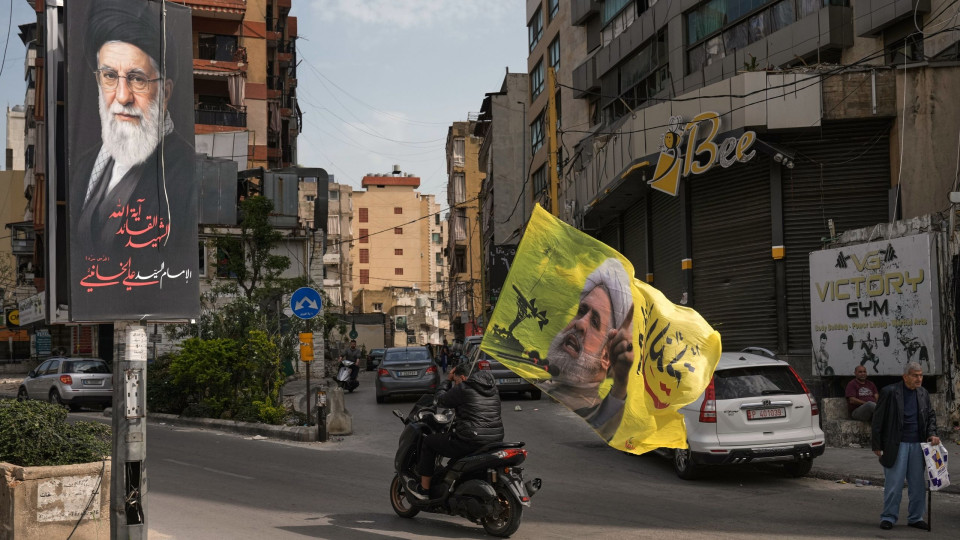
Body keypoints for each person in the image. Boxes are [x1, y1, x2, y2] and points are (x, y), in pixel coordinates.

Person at [70, 0, 196, 317]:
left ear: (165, 93)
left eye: (137, 78)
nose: (122, 97)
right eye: (110, 76)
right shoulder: (86, 166)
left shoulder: (186, 171)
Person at [538, 258, 634, 440]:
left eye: (595, 322)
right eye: (581, 311)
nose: (580, 323)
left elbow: (605, 427)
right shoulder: (541, 385)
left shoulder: (596, 412)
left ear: (606, 357)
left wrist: (621, 384)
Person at [408, 363, 503, 499]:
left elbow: (440, 400)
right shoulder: (492, 388)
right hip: (495, 439)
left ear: (463, 378)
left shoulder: (464, 388)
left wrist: (447, 380)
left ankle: (424, 490)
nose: (456, 385)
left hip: (471, 439)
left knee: (429, 442)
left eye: (456, 381)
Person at [872, 362, 939, 530]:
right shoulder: (890, 392)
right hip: (896, 444)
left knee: (917, 485)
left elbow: (930, 416)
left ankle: (915, 517)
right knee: (894, 484)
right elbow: (877, 420)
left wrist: (932, 433)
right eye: (915, 375)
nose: (919, 379)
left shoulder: (923, 393)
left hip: (918, 444)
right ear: (905, 376)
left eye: (921, 375)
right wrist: (877, 445)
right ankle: (888, 517)